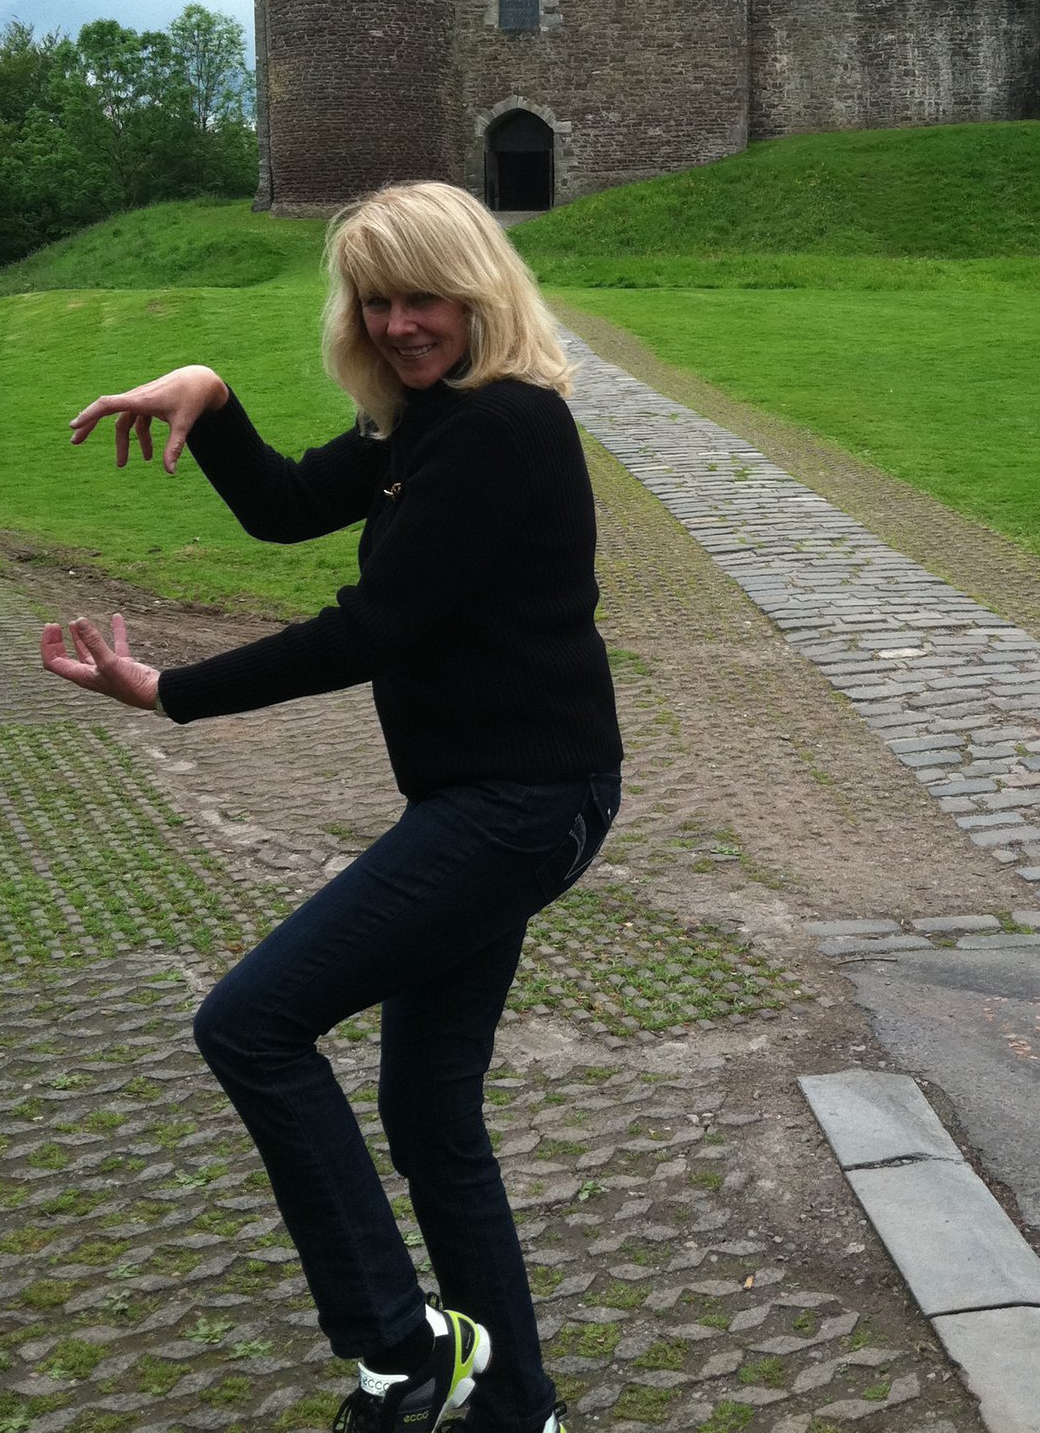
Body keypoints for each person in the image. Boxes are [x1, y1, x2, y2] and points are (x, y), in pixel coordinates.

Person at [41, 181, 624, 1433]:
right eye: (377, 298)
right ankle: (515, 1405)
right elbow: (286, 508)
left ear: (479, 293)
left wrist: (171, 692)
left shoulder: (504, 426)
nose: (402, 321)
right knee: (427, 1109)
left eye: (425, 295)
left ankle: (404, 1343)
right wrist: (210, 395)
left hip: (519, 804)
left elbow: (374, 625)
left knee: (250, 1022)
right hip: (493, 799)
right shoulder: (425, 423)